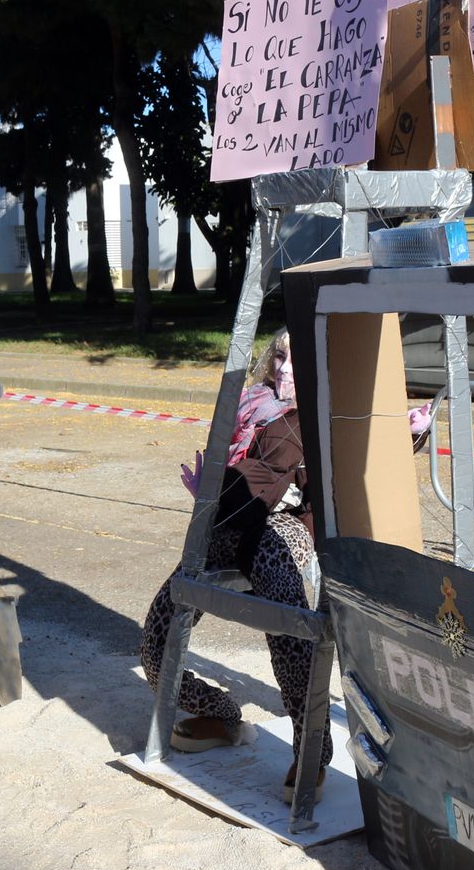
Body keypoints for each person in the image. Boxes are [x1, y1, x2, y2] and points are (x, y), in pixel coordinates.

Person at [139, 329, 334, 801]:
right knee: (157, 634)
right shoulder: (251, 405)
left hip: (281, 524)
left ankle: (313, 744)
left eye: (296, 361)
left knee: (285, 610)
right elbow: (232, 465)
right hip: (228, 520)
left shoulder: (319, 413)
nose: (284, 369)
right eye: (279, 358)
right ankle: (221, 715)